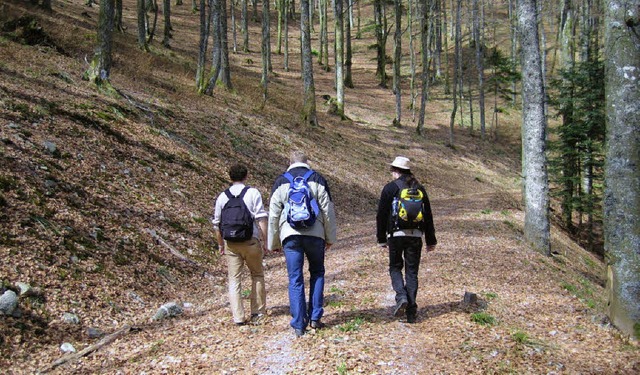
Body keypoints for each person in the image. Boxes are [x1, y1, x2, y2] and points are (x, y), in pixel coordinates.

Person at [268, 150, 337, 337]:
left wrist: (273, 242)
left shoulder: (281, 181)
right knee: (317, 272)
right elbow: (327, 210)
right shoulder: (317, 179)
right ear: (307, 162)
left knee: (295, 278)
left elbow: (274, 214)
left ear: (289, 162)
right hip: (315, 234)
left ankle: (299, 324)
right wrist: (330, 237)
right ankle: (315, 318)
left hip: (290, 236)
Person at [376, 156, 437, 323]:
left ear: (396, 171)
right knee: (412, 272)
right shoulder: (420, 189)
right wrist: (431, 240)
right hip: (416, 236)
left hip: (396, 235)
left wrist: (381, 239)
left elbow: (381, 215)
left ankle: (401, 296)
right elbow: (428, 216)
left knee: (395, 267)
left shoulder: (390, 188)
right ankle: (411, 311)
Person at [212, 164, 269, 326]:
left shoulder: (222, 197)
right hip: (250, 241)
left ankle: (238, 317)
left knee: (234, 279)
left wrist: (221, 244)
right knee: (257, 275)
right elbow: (261, 218)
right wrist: (265, 241)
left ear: (230, 177)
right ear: (246, 176)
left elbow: (216, 224)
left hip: (231, 243)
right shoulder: (252, 193)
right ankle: (258, 313)